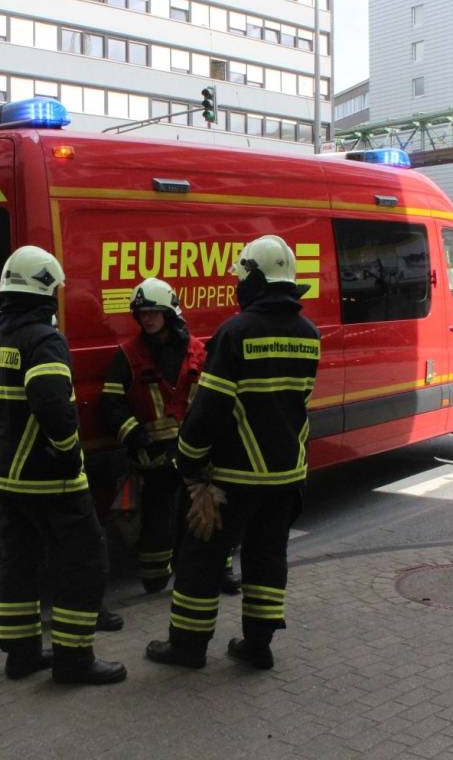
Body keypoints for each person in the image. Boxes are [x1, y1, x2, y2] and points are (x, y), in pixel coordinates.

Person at [146, 234, 321, 672]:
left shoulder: (235, 332)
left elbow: (209, 409)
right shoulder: (308, 334)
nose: (237, 286)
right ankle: (257, 646)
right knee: (266, 558)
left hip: (233, 478)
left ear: (255, 280)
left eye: (241, 278)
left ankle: (187, 648)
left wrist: (186, 459)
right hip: (286, 477)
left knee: (200, 562)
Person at [0, 245, 126, 686]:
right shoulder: (44, 340)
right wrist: (69, 454)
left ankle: (22, 655)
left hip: (7, 479)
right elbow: (54, 405)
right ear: (46, 292)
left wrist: (6, 435)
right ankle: (74, 660)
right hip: (50, 479)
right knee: (83, 562)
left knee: (20, 563)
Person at [99, 278, 205, 595]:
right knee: (157, 519)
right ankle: (156, 579)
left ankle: (207, 572)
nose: (147, 318)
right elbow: (111, 405)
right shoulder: (128, 356)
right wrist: (136, 438)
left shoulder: (197, 351)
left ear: (169, 313)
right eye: (142, 313)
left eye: (154, 312)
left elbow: (214, 400)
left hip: (192, 452)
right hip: (153, 456)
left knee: (200, 515)